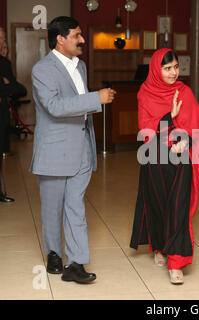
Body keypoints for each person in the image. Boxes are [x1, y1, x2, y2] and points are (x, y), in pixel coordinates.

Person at [30, 16, 116, 284]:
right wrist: (96, 98)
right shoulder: (42, 70)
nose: (82, 40)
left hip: (81, 150)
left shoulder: (81, 67)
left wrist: (92, 102)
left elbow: (77, 106)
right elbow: (54, 106)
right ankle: (54, 253)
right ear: (60, 39)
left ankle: (76, 262)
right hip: (54, 151)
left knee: (75, 205)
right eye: (77, 35)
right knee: (52, 207)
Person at [130, 48, 199, 285]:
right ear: (156, 69)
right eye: (167, 68)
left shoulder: (185, 92)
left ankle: (176, 262)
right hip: (155, 159)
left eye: (176, 67)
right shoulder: (146, 92)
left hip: (181, 160)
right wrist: (169, 118)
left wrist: (184, 142)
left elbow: (196, 124)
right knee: (157, 204)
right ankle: (159, 247)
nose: (173, 73)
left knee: (178, 209)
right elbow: (146, 129)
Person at [0, 27, 26, 202]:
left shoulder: (4, 63)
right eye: (1, 38)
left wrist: (6, 85)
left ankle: (1, 193)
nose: (4, 41)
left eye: (3, 37)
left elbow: (19, 89)